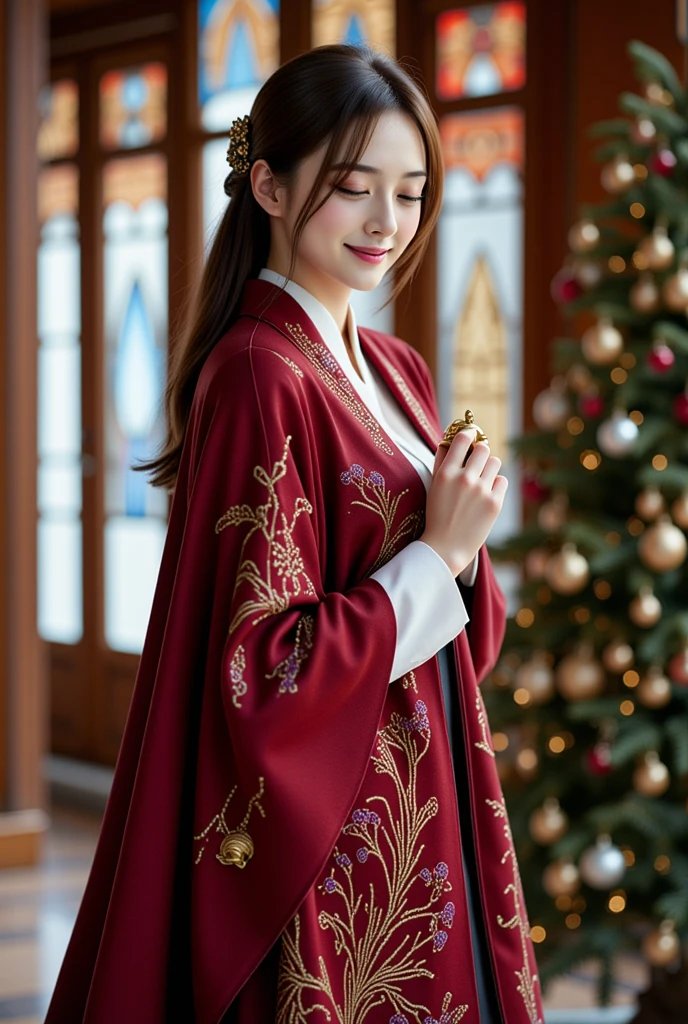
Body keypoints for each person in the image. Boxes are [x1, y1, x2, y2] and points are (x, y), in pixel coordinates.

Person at [45, 44, 544, 1024]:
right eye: (354, 187)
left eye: (408, 192)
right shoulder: (257, 374)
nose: (386, 223)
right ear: (267, 185)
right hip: (331, 834)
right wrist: (438, 555)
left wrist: (464, 552)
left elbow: (459, 642)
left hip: (430, 790)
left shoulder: (397, 368)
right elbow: (263, 670)